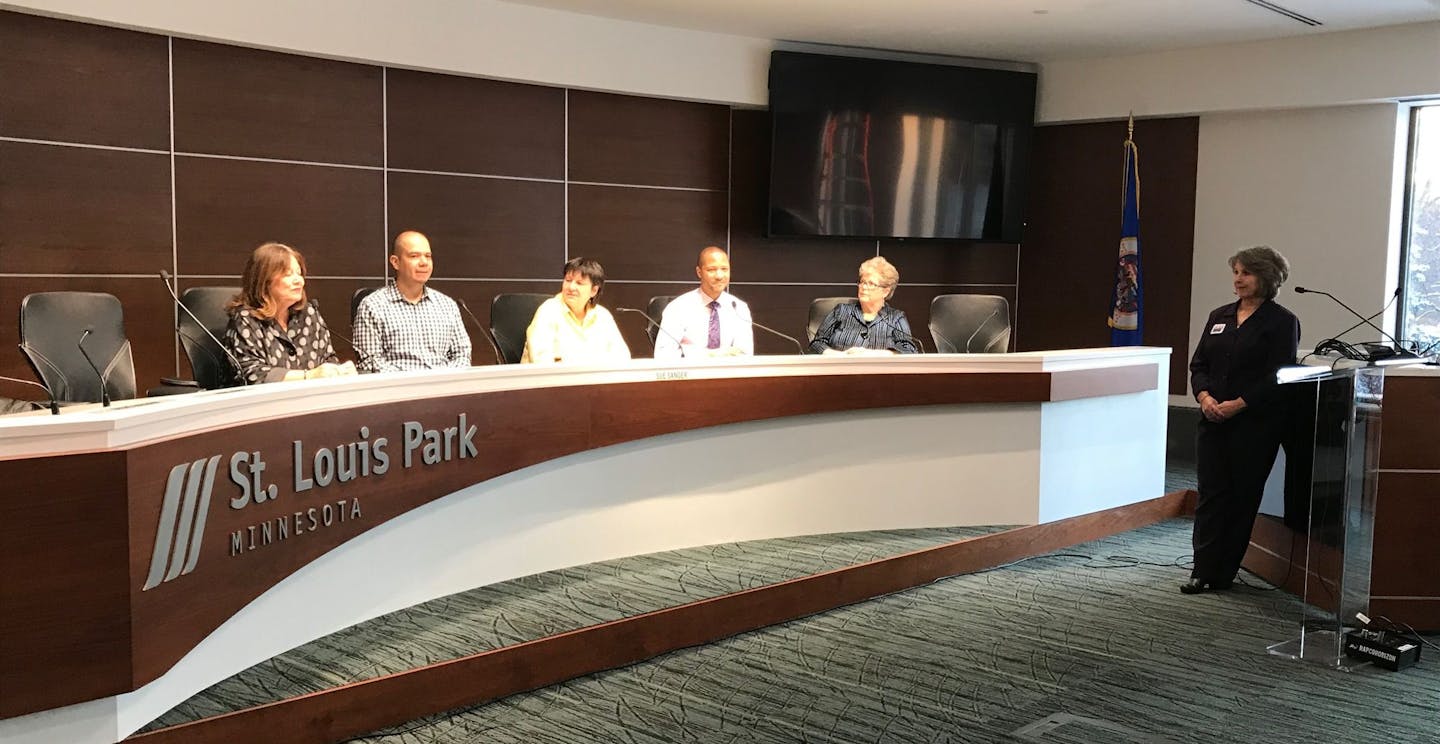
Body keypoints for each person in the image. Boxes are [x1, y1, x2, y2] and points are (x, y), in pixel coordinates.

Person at [1183, 245, 1300, 594]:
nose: (1238, 279)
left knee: (1242, 497)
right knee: (1211, 495)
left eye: (1245, 273)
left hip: (1254, 425)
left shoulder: (1282, 321)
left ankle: (1224, 573)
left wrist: (1240, 403)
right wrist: (1205, 397)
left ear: (1266, 277)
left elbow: (1279, 374)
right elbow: (1199, 365)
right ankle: (1201, 570)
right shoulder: (1219, 315)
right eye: (1235, 272)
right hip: (1212, 419)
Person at [224, 242, 356, 385]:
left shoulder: (308, 314)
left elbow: (328, 359)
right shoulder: (246, 319)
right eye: (288, 274)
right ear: (264, 280)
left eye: (299, 274)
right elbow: (252, 374)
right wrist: (308, 376)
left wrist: (339, 371)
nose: (299, 281)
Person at [352, 230, 472, 372]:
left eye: (428, 256)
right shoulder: (372, 306)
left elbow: (462, 355)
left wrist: (440, 380)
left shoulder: (447, 305)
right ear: (395, 262)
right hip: (397, 390)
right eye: (414, 256)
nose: (424, 262)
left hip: (444, 388)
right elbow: (369, 362)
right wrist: (413, 382)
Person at [521, 257, 630, 364]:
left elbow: (622, 358)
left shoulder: (603, 316)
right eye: (568, 280)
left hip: (594, 380)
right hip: (550, 380)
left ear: (594, 290)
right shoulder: (548, 311)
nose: (571, 287)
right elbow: (541, 361)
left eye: (579, 283)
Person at [654, 246, 754, 359]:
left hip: (728, 374)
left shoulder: (739, 308)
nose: (719, 276)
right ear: (699, 272)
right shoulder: (678, 308)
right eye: (712, 270)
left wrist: (687, 351)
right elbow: (662, 355)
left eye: (724, 269)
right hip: (689, 374)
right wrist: (710, 354)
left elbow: (746, 354)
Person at [809, 256, 920, 355]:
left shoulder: (895, 318)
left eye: (871, 284)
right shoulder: (841, 311)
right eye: (862, 282)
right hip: (839, 372)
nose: (864, 287)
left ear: (885, 291)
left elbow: (909, 350)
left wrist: (872, 355)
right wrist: (840, 356)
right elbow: (816, 344)